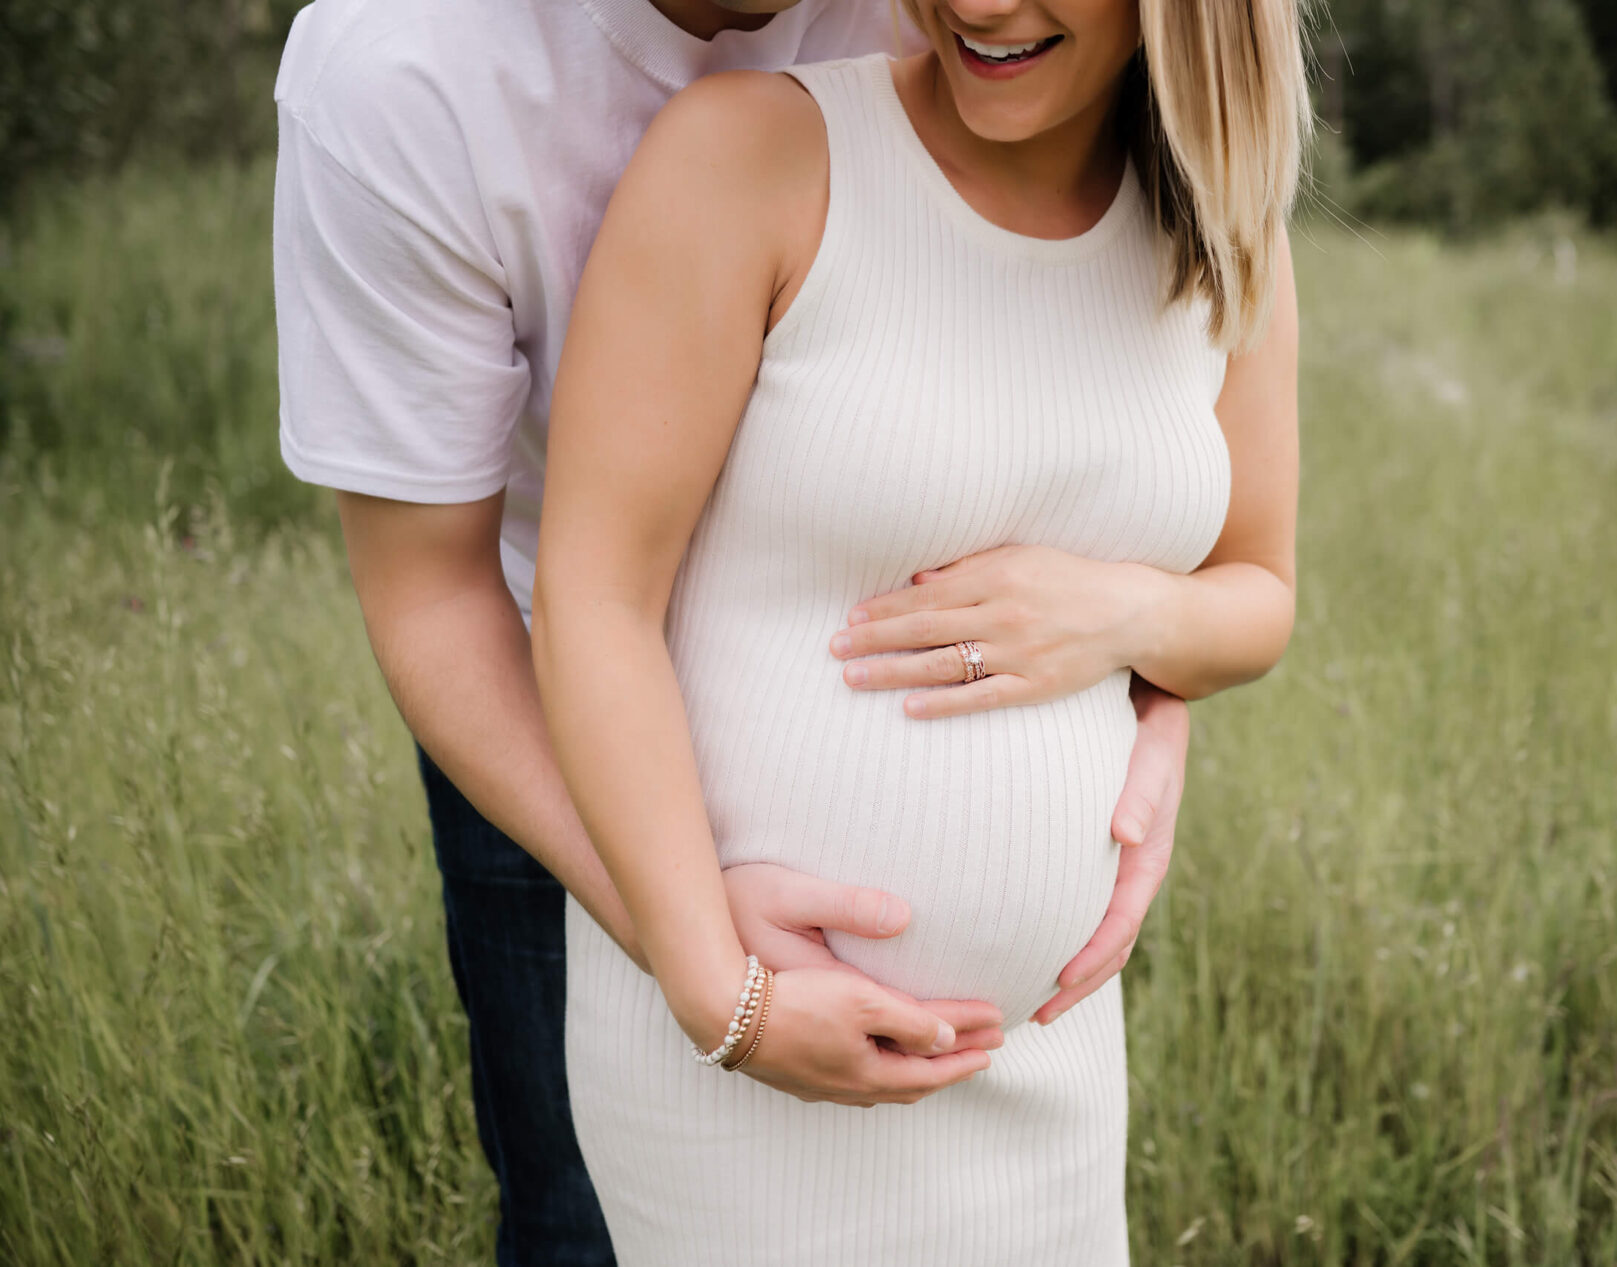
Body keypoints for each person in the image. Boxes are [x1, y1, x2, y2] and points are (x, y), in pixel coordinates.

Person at [272, 0, 1199, 1260]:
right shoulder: (398, 72)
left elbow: (1089, 387)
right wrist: (700, 957)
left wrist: (1146, 682)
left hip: (1013, 1027)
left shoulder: (950, 16)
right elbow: (433, 593)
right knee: (574, 1212)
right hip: (544, 691)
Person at [533, 0, 1306, 1259]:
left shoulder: (1221, 231)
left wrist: (1122, 614)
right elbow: (592, 598)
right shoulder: (750, 159)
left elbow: (1258, 592)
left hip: (1046, 1062)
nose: (979, 6)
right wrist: (719, 992)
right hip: (751, 1047)